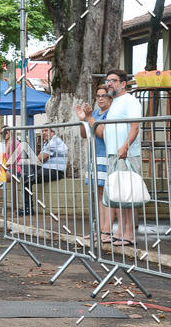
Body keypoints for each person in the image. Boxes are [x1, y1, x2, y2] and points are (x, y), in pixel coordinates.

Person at [79, 69, 143, 247]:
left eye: (113, 81)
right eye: (108, 81)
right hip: (113, 153)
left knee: (126, 195)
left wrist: (125, 146)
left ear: (123, 83)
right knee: (118, 194)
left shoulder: (130, 101)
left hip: (126, 153)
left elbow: (135, 127)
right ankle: (120, 232)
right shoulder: (115, 103)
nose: (109, 84)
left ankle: (128, 234)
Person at [76, 85, 113, 243]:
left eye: (104, 95)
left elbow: (102, 133)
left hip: (106, 155)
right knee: (99, 194)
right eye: (98, 96)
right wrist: (83, 120)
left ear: (110, 97)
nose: (100, 98)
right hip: (94, 156)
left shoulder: (111, 113)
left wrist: (90, 118)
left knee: (107, 194)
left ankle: (107, 230)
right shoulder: (95, 113)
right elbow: (84, 134)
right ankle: (100, 229)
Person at [21, 128, 68, 216]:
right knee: (26, 173)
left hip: (55, 171)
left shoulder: (55, 141)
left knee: (27, 177)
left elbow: (40, 158)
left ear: (53, 132)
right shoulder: (48, 143)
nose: (44, 133)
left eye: (46, 130)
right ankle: (27, 208)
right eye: (42, 131)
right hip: (47, 170)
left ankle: (28, 209)